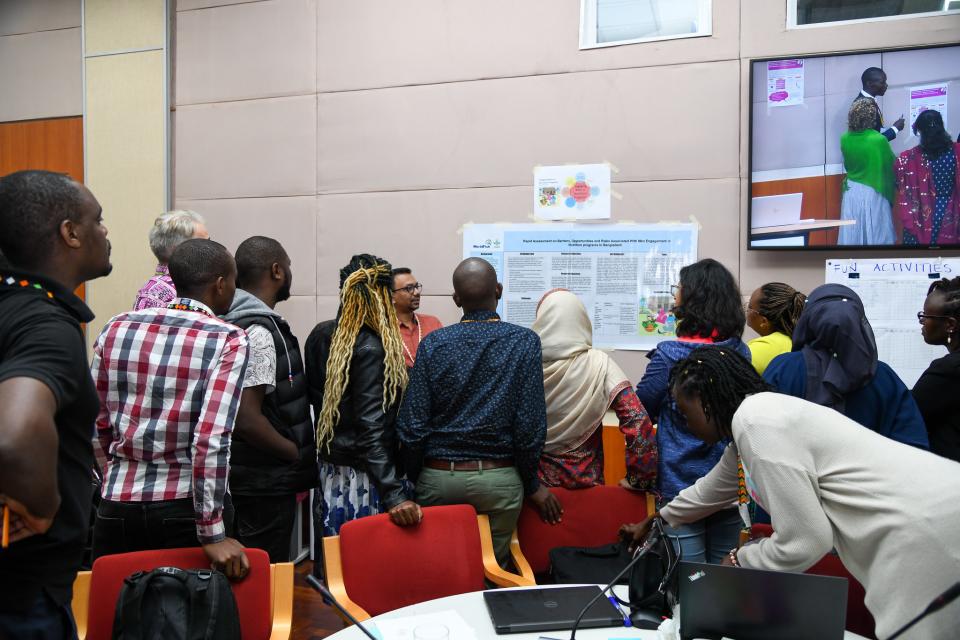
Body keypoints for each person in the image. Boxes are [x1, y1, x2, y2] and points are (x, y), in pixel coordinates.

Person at [621, 347, 960, 640]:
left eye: (685, 411)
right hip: (937, 509)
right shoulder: (756, 423)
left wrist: (741, 560)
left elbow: (806, 541)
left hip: (925, 531)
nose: (685, 422)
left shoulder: (756, 423)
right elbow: (710, 491)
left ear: (707, 400)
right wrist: (657, 519)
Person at [91, 239, 250, 579]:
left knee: (117, 616)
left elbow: (95, 423)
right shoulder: (228, 338)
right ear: (220, 284)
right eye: (234, 281)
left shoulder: (116, 326)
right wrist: (211, 530)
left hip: (115, 503)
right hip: (184, 507)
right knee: (195, 621)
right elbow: (211, 438)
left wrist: (114, 477)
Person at [0, 171, 111, 638]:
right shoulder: (46, 326)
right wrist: (42, 508)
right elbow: (15, 435)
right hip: (24, 600)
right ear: (70, 233)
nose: (106, 233)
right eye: (98, 221)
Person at [396, 258, 561, 569]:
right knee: (491, 572)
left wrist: (420, 476)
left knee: (443, 569)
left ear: (457, 300)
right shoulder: (524, 342)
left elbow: (413, 424)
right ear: (499, 290)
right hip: (499, 480)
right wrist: (531, 484)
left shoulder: (433, 343)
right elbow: (529, 427)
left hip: (439, 476)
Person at [634, 258, 749, 564]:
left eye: (679, 290)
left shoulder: (669, 355)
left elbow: (642, 405)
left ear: (694, 298)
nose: (675, 297)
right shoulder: (740, 351)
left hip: (679, 484)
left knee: (689, 581)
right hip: (728, 487)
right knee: (723, 580)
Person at [305, 254, 420, 537]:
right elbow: (371, 428)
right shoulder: (370, 346)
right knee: (366, 563)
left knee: (336, 558)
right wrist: (394, 493)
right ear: (380, 294)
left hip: (333, 470)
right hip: (368, 476)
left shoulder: (321, 334)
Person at [222, 236, 317, 562]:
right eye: (288, 265)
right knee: (264, 573)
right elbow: (246, 417)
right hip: (265, 482)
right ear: (277, 270)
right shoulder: (259, 331)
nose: (290, 272)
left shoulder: (239, 320)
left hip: (254, 476)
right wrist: (291, 452)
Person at [764, 283, 928, 449]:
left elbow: (759, 432)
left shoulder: (784, 368)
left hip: (795, 474)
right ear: (860, 320)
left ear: (807, 320)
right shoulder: (884, 376)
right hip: (872, 473)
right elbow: (914, 446)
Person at [531, 289, 657, 490]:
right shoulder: (599, 363)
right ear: (581, 319)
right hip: (588, 488)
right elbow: (638, 420)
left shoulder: (525, 365)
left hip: (538, 492)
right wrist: (639, 478)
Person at [894, 110, 960, 245]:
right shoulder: (956, 152)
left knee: (921, 260)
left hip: (921, 216)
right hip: (951, 212)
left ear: (921, 131)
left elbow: (899, 183)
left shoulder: (909, 158)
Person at [912, 277, 960, 462]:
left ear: (950, 325)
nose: (922, 322)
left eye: (926, 316)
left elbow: (908, 416)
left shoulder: (948, 370)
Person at [838, 99, 896, 246]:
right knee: (876, 234)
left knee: (852, 236)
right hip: (873, 190)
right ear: (872, 117)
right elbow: (892, 165)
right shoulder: (878, 140)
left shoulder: (844, 138)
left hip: (851, 191)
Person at [133, 209, 209, 310]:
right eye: (204, 243)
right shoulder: (155, 295)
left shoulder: (195, 283)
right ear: (179, 249)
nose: (210, 248)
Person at [745, 282, 806, 375]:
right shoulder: (799, 339)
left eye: (750, 307)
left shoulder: (763, 348)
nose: (747, 311)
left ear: (764, 322)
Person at [391, 267, 442, 368]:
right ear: (392, 297)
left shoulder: (433, 323)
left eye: (416, 287)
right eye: (409, 288)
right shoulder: (383, 330)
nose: (416, 292)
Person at [853, 67, 904, 142]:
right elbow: (872, 142)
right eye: (882, 82)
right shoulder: (863, 107)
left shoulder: (868, 100)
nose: (886, 85)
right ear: (869, 83)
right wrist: (895, 128)